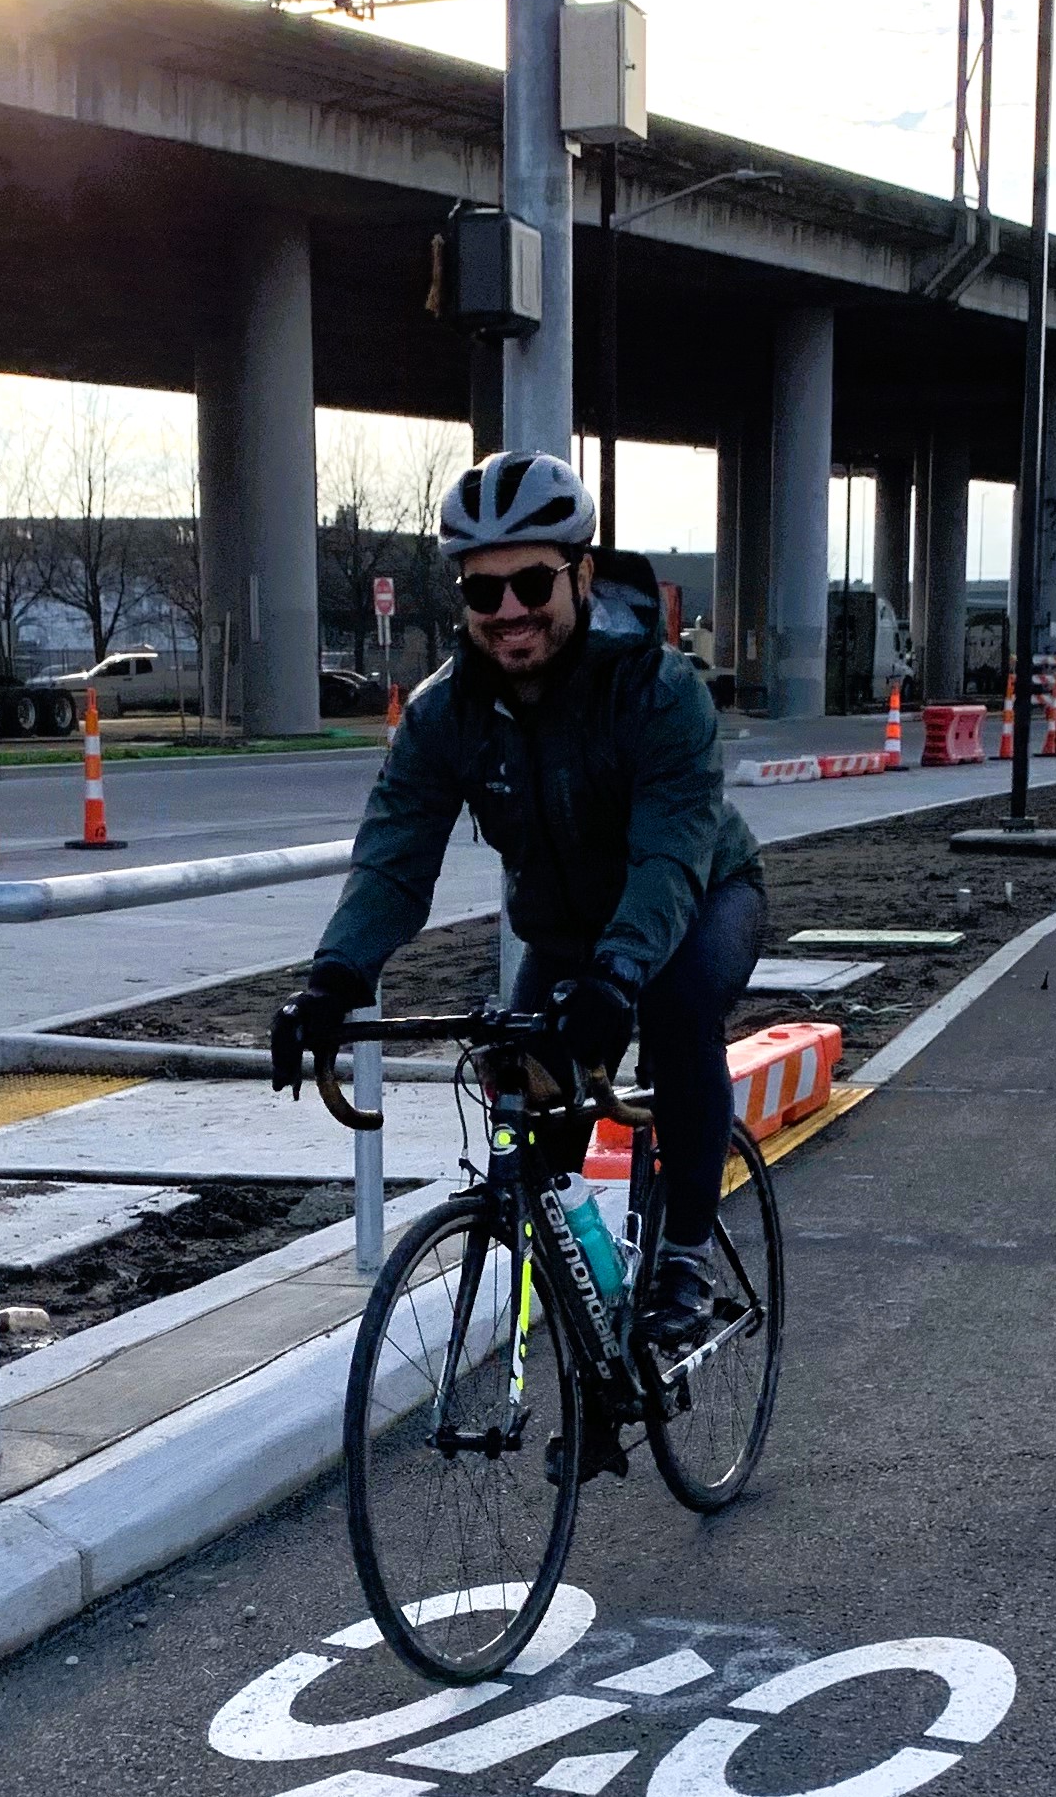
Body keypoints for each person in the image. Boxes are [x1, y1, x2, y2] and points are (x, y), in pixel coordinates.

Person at [269, 450, 767, 1457]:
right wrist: (333, 981)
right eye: (482, 591)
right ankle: (596, 1359)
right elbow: (396, 853)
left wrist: (620, 975)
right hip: (564, 935)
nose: (508, 611)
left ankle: (679, 1258)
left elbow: (671, 853)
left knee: (674, 1021)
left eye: (532, 583)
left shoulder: (658, 692)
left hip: (699, 904)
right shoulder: (449, 712)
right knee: (532, 1131)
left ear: (581, 576)